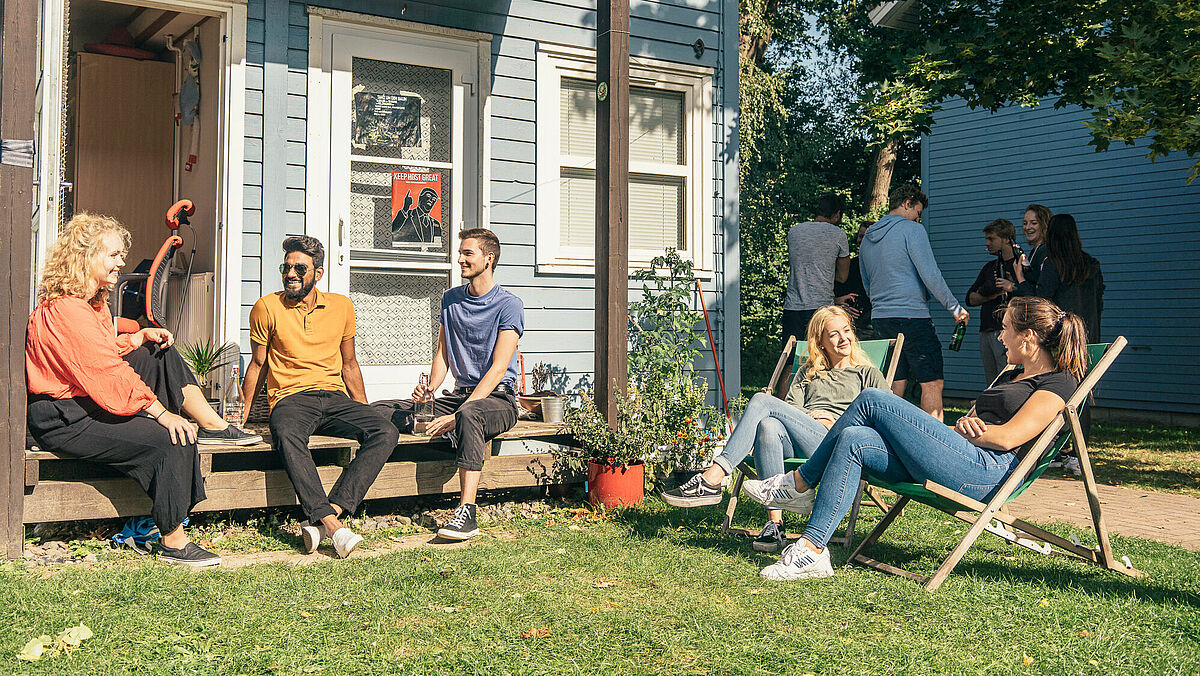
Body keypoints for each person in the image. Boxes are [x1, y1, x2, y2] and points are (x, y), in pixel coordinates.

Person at [743, 296, 1086, 581]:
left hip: (985, 473)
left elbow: (1009, 437)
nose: (1000, 337)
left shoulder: (1059, 383)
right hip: (963, 454)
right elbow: (981, 423)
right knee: (854, 437)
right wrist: (966, 425)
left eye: (1007, 329)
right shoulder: (1014, 375)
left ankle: (799, 483)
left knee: (871, 400)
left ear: (1027, 337)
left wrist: (977, 430)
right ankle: (813, 551)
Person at [25, 214, 260, 567]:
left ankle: (213, 426)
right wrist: (161, 414)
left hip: (84, 399)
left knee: (155, 351)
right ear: (85, 258)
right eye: (114, 255)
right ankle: (173, 541)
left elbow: (97, 352)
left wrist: (136, 338)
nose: (122, 261)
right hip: (63, 417)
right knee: (171, 438)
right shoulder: (65, 310)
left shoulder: (93, 303)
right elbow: (103, 372)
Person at [661, 306, 886, 552]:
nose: (843, 339)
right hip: (804, 439)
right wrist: (810, 418)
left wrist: (838, 424)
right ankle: (775, 525)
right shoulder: (807, 373)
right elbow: (790, 409)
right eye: (833, 334)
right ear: (820, 343)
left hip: (837, 442)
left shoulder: (867, 374)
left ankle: (713, 477)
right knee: (768, 426)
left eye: (846, 331)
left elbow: (885, 418)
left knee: (761, 400)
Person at [242, 236, 399, 558]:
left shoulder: (341, 306)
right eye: (286, 267)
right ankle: (332, 525)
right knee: (287, 435)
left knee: (385, 430)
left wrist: (363, 410)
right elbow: (258, 365)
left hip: (334, 396)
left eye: (300, 267)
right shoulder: (266, 307)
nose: (291, 274)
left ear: (319, 272)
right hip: (290, 399)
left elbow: (350, 363)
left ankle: (330, 512)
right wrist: (239, 420)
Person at [374, 228, 523, 541]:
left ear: (489, 258)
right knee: (386, 408)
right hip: (459, 396)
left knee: (470, 416)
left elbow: (498, 370)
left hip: (498, 401)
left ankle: (467, 512)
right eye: (460, 253)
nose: (460, 259)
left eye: (468, 253)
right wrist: (429, 389)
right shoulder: (451, 300)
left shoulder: (509, 305)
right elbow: (442, 352)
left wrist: (459, 415)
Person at [860, 184, 969, 421]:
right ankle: (930, 447)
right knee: (932, 382)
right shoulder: (911, 230)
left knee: (894, 384)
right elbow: (930, 274)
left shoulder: (867, 237)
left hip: (880, 319)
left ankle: (888, 442)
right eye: (917, 213)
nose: (918, 220)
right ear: (908, 203)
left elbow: (866, 282)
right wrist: (954, 308)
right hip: (912, 317)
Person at [781, 194, 851, 356]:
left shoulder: (794, 232)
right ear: (837, 214)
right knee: (823, 359)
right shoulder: (838, 234)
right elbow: (842, 276)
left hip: (792, 308)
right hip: (821, 309)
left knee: (790, 362)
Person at [966, 218, 1020, 386]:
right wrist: (992, 294)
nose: (987, 243)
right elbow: (970, 298)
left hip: (1009, 331)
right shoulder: (990, 267)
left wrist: (1012, 287)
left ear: (1006, 239)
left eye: (991, 239)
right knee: (992, 383)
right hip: (987, 330)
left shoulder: (1020, 265)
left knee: (1008, 380)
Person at [834, 221, 873, 340]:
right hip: (848, 325)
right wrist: (840, 304)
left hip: (873, 325)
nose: (862, 240)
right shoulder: (848, 265)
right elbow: (835, 294)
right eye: (860, 236)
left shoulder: (882, 267)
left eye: (866, 237)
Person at [1021, 204, 1052, 287]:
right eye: (1025, 223)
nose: (1027, 227)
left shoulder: (1045, 251)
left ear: (1044, 225)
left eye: (1034, 223)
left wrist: (1014, 286)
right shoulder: (1035, 251)